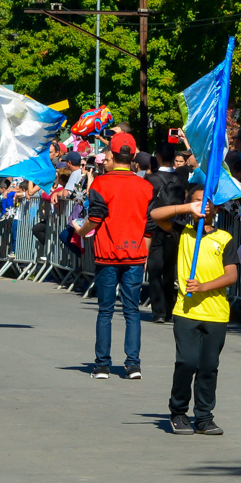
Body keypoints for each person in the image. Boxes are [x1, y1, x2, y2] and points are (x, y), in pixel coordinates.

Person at [150, 184, 240, 435]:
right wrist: (186, 207)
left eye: (207, 202)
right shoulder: (182, 232)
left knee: (209, 366)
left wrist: (203, 287)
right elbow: (156, 215)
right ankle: (178, 412)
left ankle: (204, 417)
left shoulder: (225, 238)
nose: (203, 205)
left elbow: (231, 275)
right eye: (198, 201)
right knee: (187, 362)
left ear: (216, 206)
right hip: (186, 311)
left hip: (216, 313)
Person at [74, 132, 153, 380]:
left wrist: (81, 230)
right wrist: (144, 254)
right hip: (135, 255)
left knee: (105, 311)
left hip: (108, 254)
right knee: (132, 311)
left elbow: (95, 218)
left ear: (113, 154)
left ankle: (102, 365)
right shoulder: (146, 186)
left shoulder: (101, 183)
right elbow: (149, 226)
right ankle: (133, 364)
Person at [144, 139, 186, 324]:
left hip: (154, 227)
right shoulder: (181, 177)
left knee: (154, 269)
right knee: (170, 269)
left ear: (158, 157)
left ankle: (159, 311)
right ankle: (169, 309)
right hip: (175, 226)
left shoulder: (150, 179)